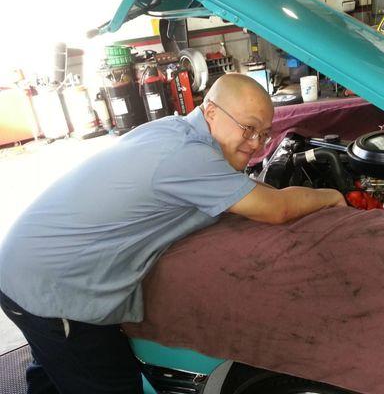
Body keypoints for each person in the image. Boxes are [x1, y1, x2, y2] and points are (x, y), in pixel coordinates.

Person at [0, 73, 346, 393]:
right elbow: (277, 208)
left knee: (54, 366)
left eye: (264, 133)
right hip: (54, 289)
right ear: (210, 111)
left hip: (26, 263)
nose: (256, 142)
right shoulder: (187, 156)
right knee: (105, 380)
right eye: (248, 128)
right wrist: (330, 196)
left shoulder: (170, 129)